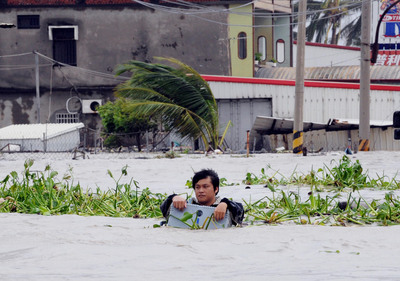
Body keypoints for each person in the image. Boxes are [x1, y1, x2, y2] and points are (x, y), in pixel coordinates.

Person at [160, 169, 244, 226]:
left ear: (216, 189)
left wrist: (225, 203)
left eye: (205, 186)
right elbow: (163, 209)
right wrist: (173, 197)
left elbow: (240, 211)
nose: (201, 190)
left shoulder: (225, 206)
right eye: (197, 187)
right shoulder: (187, 205)